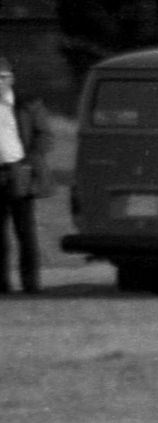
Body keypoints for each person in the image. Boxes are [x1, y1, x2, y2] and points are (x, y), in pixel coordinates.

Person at [0, 55, 52, 295]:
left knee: (25, 232)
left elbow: (44, 135)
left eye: (2, 77)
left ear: (11, 79)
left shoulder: (27, 105)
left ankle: (31, 284)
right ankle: (2, 284)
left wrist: (30, 162)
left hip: (20, 171)